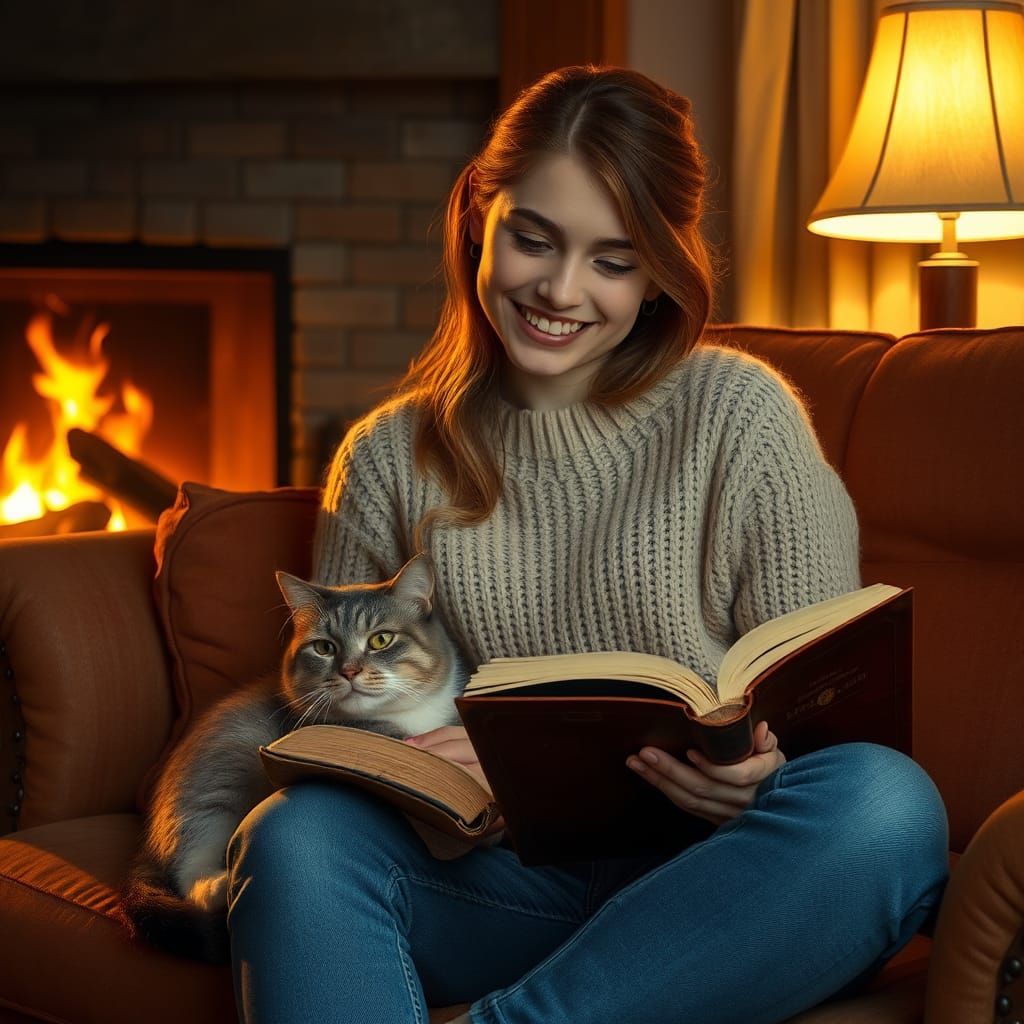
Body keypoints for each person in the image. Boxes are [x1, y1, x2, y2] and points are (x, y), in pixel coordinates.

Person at [225, 66, 948, 1024]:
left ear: (659, 271)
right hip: (498, 882)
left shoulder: (742, 414)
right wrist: (436, 776)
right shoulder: (390, 456)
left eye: (613, 259)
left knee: (888, 805)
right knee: (296, 834)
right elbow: (341, 721)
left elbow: (823, 711)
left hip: (726, 894)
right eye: (534, 239)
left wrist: (760, 773)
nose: (561, 291)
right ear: (481, 215)